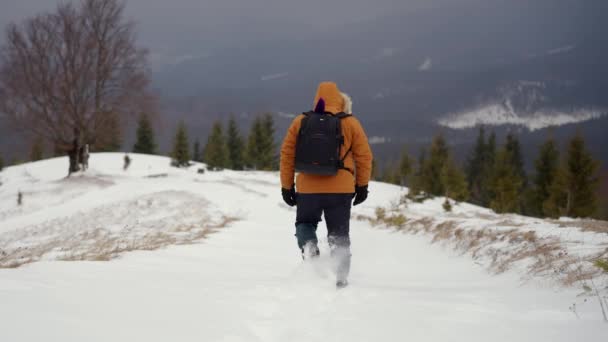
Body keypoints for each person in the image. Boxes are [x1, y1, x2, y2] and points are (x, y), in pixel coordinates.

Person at [280, 81, 373, 288]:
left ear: (317, 99)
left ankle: (311, 254)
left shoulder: (300, 122)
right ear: (340, 101)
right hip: (340, 190)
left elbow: (287, 155)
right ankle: (341, 276)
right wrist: (362, 186)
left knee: (305, 225)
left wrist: (287, 187)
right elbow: (364, 157)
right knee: (339, 233)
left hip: (308, 188)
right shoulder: (350, 123)